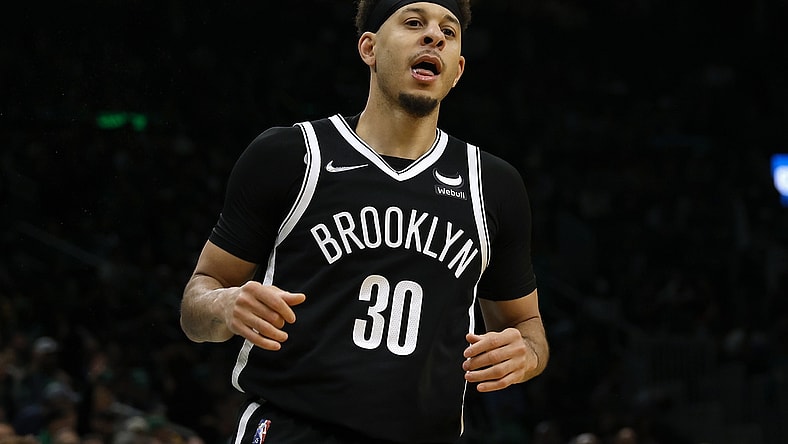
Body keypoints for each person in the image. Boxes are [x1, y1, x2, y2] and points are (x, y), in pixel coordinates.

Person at [179, 1, 549, 443]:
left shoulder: (494, 186)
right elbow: (196, 303)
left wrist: (526, 353)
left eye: (448, 33)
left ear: (458, 69)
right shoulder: (290, 155)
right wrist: (224, 304)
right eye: (414, 23)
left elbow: (528, 327)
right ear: (369, 48)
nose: (434, 36)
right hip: (293, 429)